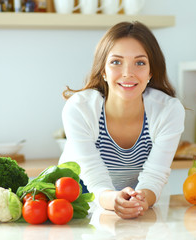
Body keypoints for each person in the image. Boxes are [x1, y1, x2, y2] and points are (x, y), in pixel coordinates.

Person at [59, 21, 185, 219]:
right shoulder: (80, 108)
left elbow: (155, 177)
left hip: (133, 201)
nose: (128, 73)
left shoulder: (169, 111)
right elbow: (93, 178)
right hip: (74, 199)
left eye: (140, 63)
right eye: (116, 62)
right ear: (103, 71)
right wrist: (112, 199)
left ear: (151, 71)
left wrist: (141, 199)